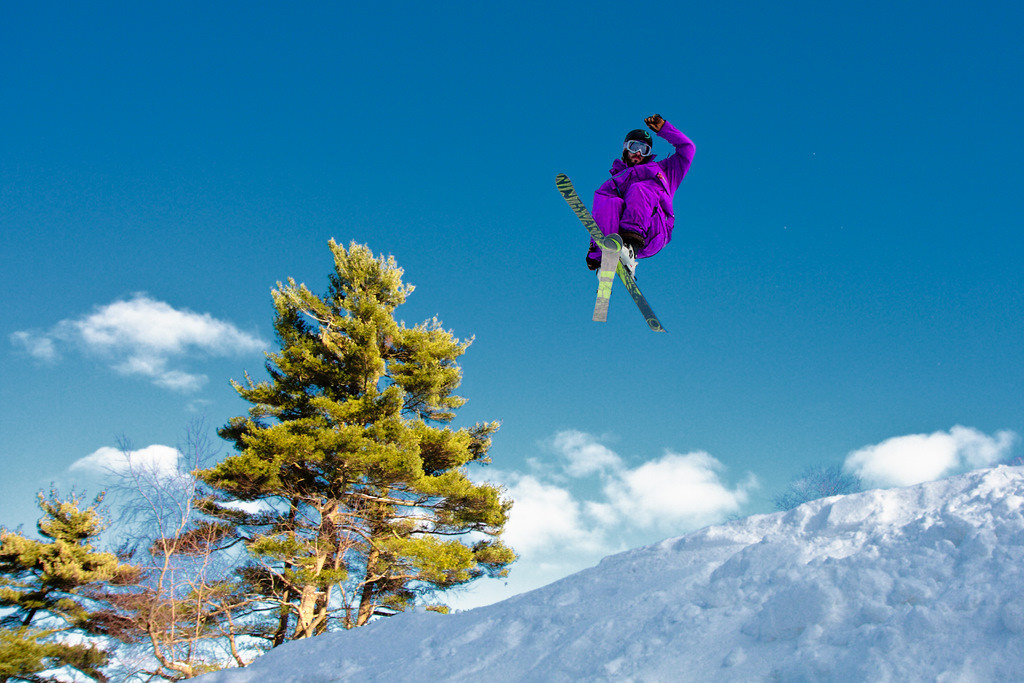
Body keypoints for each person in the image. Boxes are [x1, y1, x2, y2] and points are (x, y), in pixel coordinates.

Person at [587, 115, 695, 272]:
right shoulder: (615, 181)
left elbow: (688, 148)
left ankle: (629, 248)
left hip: (654, 231)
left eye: (644, 149)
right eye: (634, 146)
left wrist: (665, 129)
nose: (638, 153)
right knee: (608, 200)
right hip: (622, 235)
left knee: (640, 188)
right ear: (625, 148)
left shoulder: (665, 170)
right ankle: (605, 253)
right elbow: (602, 211)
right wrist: (594, 252)